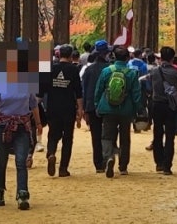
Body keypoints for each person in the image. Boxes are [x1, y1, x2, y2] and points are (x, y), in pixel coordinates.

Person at [0, 58, 40, 210]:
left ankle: (22, 194)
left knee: (21, 161)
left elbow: (34, 105)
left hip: (22, 127)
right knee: (2, 160)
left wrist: (39, 123)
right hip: (3, 127)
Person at [94, 45, 143, 178]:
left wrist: (97, 104)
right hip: (126, 110)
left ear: (113, 57)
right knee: (125, 138)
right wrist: (139, 110)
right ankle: (123, 166)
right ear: (127, 58)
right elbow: (136, 94)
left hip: (108, 108)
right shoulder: (131, 73)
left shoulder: (106, 71)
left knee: (107, 136)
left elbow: (98, 90)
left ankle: (109, 157)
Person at [40, 43, 83, 177]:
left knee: (53, 134)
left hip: (53, 107)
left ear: (58, 55)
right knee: (67, 138)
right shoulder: (74, 70)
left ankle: (51, 153)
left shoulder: (51, 68)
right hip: (68, 107)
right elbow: (78, 91)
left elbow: (42, 90)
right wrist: (80, 109)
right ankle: (63, 168)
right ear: (71, 56)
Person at [149, 46, 177, 175]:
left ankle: (159, 163)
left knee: (157, 134)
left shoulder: (154, 71)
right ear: (172, 58)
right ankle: (167, 166)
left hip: (157, 104)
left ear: (161, 57)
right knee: (170, 136)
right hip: (171, 106)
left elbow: (150, 87)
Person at [81, 40, 111, 172]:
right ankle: (108, 157)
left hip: (92, 106)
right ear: (107, 53)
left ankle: (98, 164)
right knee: (108, 134)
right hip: (109, 106)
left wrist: (84, 109)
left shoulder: (89, 69)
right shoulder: (110, 68)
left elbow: (85, 89)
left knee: (96, 135)